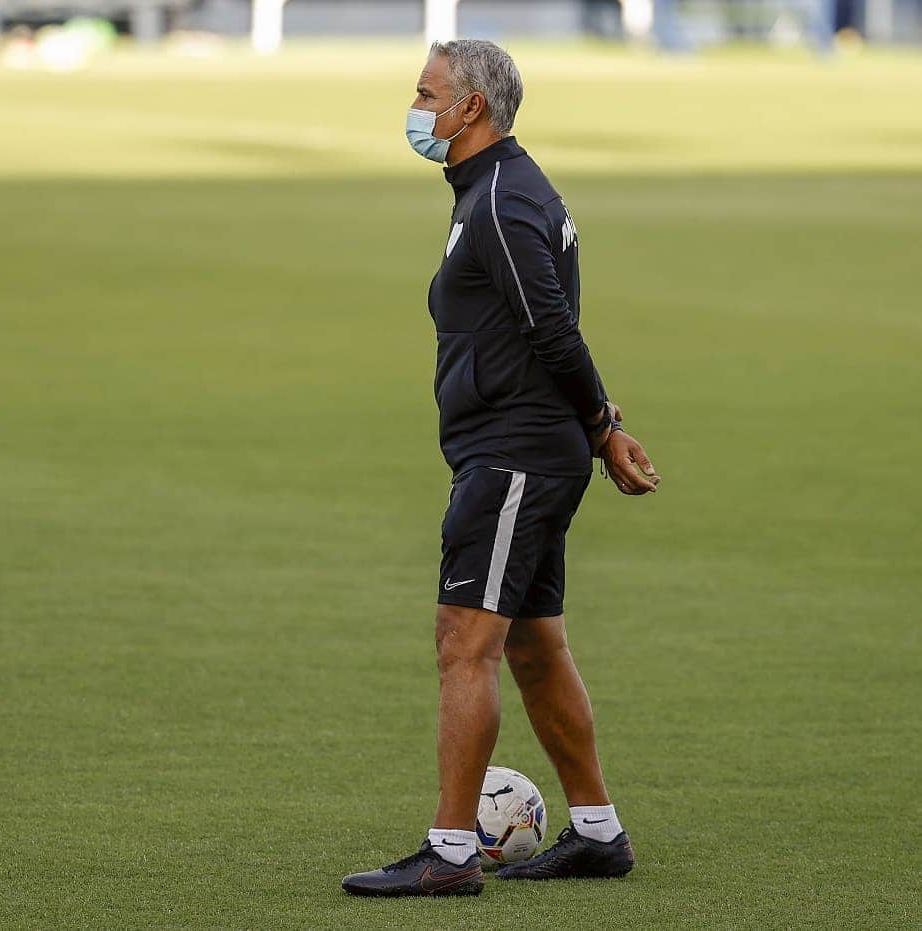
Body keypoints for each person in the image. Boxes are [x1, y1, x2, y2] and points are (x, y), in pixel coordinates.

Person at [341, 39, 660, 898]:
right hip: (524, 448)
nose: (415, 107)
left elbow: (551, 326)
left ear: (469, 108)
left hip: (514, 455)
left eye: (425, 93)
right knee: (530, 642)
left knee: (464, 641)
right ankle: (596, 832)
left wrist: (599, 426)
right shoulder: (497, 188)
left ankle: (448, 851)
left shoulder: (498, 203)